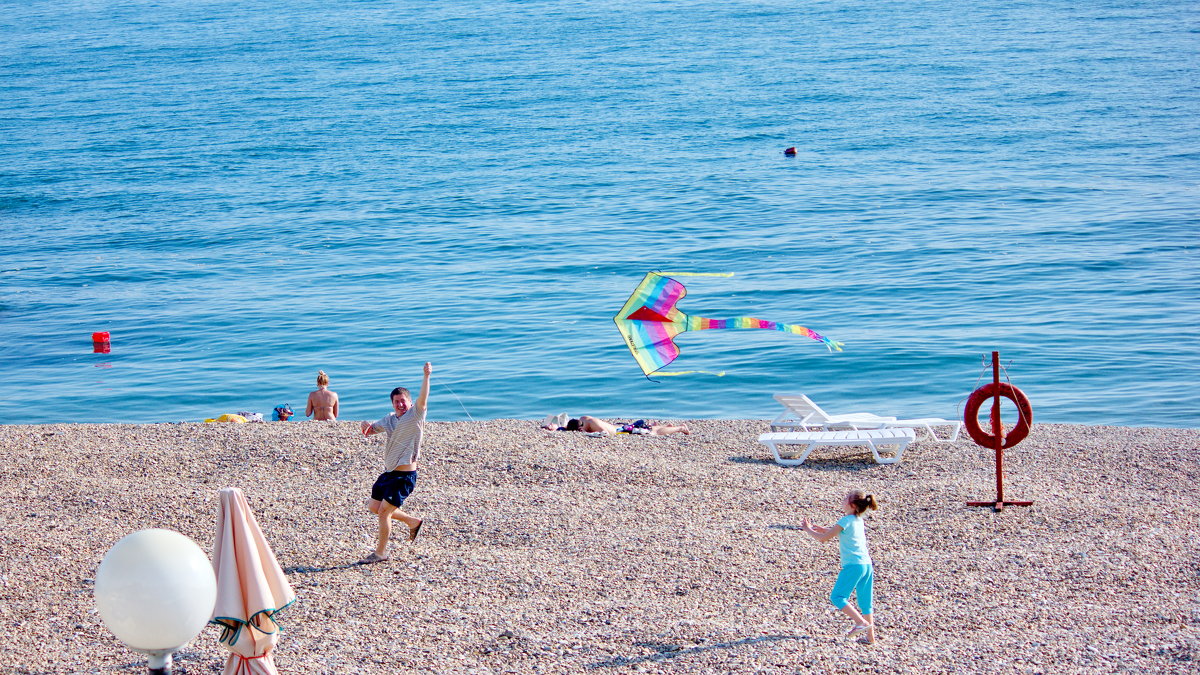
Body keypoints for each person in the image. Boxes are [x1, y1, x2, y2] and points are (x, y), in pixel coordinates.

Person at [358, 362, 431, 563]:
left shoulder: (415, 415)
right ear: (392, 404)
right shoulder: (390, 419)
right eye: (396, 401)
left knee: (384, 513)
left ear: (409, 402)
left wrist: (426, 376)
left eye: (403, 401)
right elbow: (370, 431)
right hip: (388, 473)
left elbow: (423, 399)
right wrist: (364, 425)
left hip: (405, 475)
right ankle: (412, 521)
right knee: (374, 506)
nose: (400, 404)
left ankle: (380, 553)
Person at [801, 490, 878, 644]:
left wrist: (807, 529)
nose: (842, 501)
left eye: (845, 499)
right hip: (867, 565)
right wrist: (824, 529)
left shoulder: (844, 520)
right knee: (865, 603)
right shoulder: (858, 520)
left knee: (837, 597)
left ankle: (860, 623)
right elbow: (842, 533)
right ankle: (871, 638)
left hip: (853, 566)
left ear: (852, 505)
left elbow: (823, 539)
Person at [545, 415, 690, 436]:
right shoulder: (584, 419)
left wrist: (588, 433)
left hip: (622, 430)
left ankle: (680, 428)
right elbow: (566, 427)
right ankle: (669, 426)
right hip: (618, 426)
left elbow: (603, 433)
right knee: (651, 429)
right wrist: (556, 428)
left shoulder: (592, 424)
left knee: (653, 432)